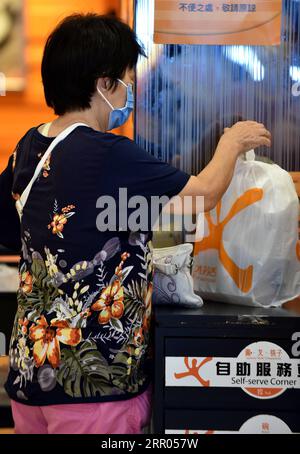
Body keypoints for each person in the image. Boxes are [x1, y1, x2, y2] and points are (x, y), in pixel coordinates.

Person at [0, 13, 271, 434]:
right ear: (104, 84)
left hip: (29, 375)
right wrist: (232, 143)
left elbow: (9, 231)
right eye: (127, 80)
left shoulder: (28, 147)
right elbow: (203, 195)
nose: (131, 92)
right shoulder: (109, 152)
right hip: (95, 385)